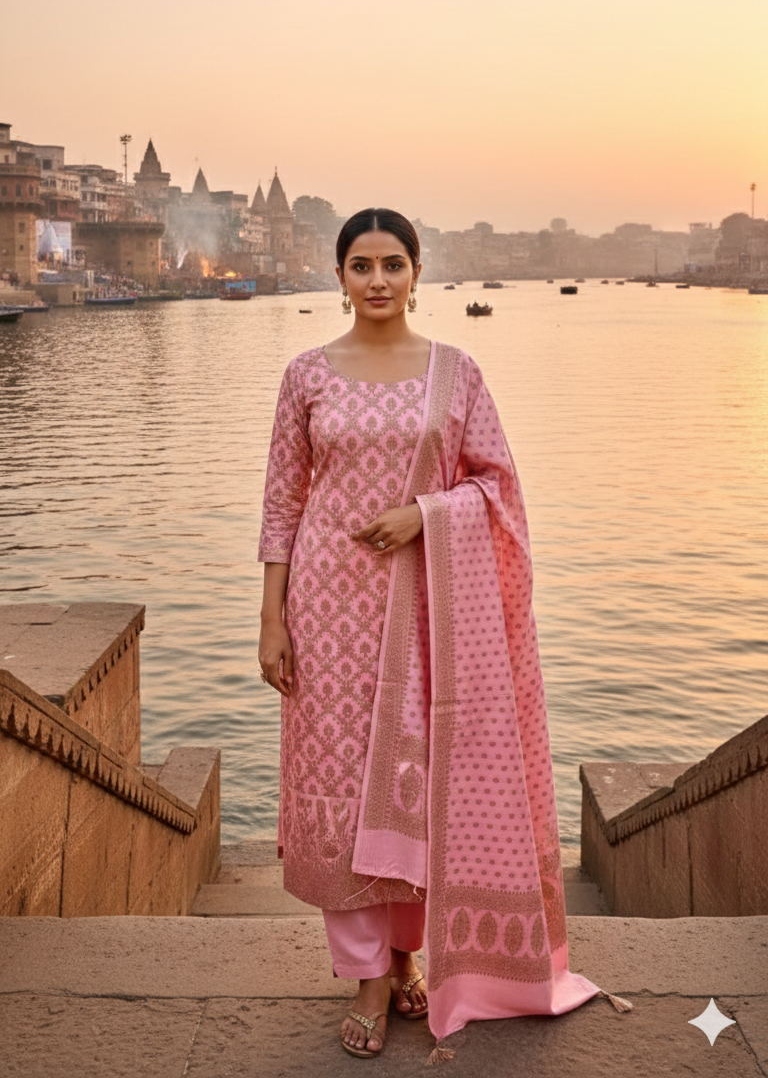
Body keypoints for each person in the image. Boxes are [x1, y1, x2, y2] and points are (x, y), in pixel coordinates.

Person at [258, 208, 630, 1061]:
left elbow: (499, 488)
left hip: (432, 612)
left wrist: (425, 516)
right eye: (361, 265)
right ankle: (367, 975)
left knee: (424, 784)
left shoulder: (456, 374)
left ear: (418, 272)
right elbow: (282, 503)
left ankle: (408, 953)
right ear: (340, 276)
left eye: (393, 263)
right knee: (340, 785)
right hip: (329, 605)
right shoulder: (305, 376)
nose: (378, 279)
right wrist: (271, 619)